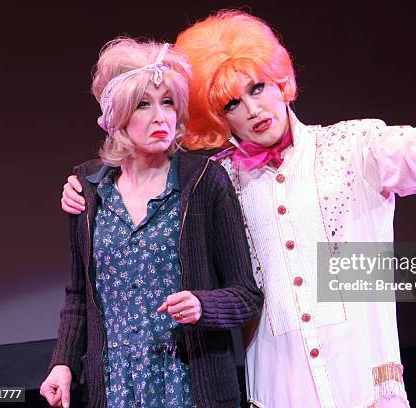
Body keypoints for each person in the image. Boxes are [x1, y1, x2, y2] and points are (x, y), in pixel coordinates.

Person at [61, 11, 416, 408]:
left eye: (258, 88)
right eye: (231, 103)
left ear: (280, 82)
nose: (252, 109)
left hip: (361, 371)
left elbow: (412, 151)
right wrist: (86, 187)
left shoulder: (348, 146)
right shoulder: (216, 179)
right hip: (280, 378)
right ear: (217, 117)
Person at [41, 37, 263, 408]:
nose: (161, 117)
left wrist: (203, 306)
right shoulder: (89, 191)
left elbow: (246, 295)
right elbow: (80, 296)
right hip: (116, 391)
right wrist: (63, 363)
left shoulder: (204, 182)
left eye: (168, 103)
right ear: (117, 115)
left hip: (189, 390)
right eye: (143, 105)